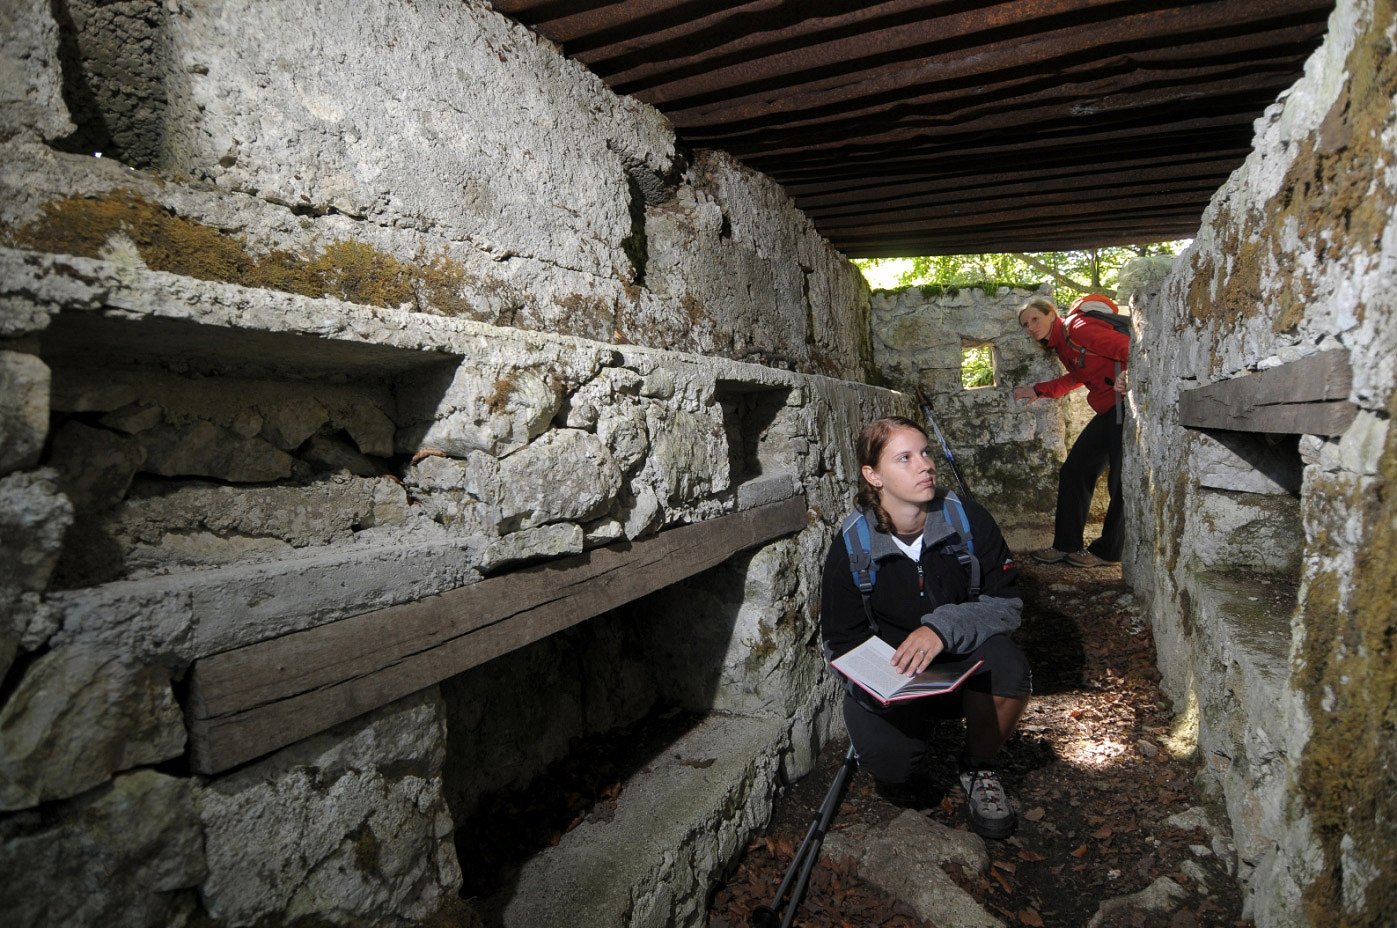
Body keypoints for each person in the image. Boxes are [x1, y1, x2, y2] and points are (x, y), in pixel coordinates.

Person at [821, 416, 1031, 839]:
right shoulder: (851, 546)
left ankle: (978, 764)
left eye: (926, 452)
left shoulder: (967, 519)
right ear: (873, 475)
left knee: (1010, 667)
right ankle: (910, 730)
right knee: (893, 769)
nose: (925, 465)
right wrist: (881, 679)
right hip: (895, 670)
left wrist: (941, 629)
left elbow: (1007, 605)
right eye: (905, 458)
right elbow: (841, 639)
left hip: (964, 656)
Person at [1011, 296, 1131, 567]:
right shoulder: (1063, 344)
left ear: (1051, 314)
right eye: (1025, 324)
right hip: (1108, 411)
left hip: (1124, 406)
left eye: (1035, 319)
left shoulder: (1078, 328)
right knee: (1075, 470)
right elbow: (1078, 377)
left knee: (1120, 481)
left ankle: (1109, 552)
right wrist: (1038, 390)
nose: (1030, 327)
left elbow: (1130, 349)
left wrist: (1130, 376)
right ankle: (1066, 545)